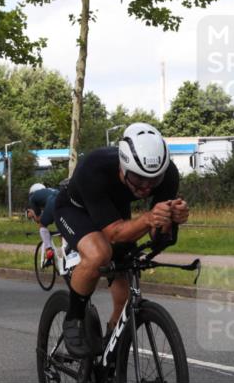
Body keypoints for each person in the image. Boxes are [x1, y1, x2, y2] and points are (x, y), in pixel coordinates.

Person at [54, 123, 189, 358]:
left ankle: (110, 354)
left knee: (125, 292)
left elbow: (157, 236)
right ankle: (74, 319)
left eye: (153, 180)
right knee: (99, 254)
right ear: (123, 166)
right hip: (76, 210)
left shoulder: (167, 175)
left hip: (115, 212)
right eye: (138, 178)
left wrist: (170, 220)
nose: (146, 187)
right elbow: (114, 234)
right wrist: (148, 218)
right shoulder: (94, 167)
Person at [26, 182, 61, 267]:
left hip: (52, 202)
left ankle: (48, 250)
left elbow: (38, 218)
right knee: (62, 227)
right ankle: (67, 250)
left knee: (42, 225)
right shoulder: (49, 190)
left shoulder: (33, 197)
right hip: (62, 199)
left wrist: (32, 214)